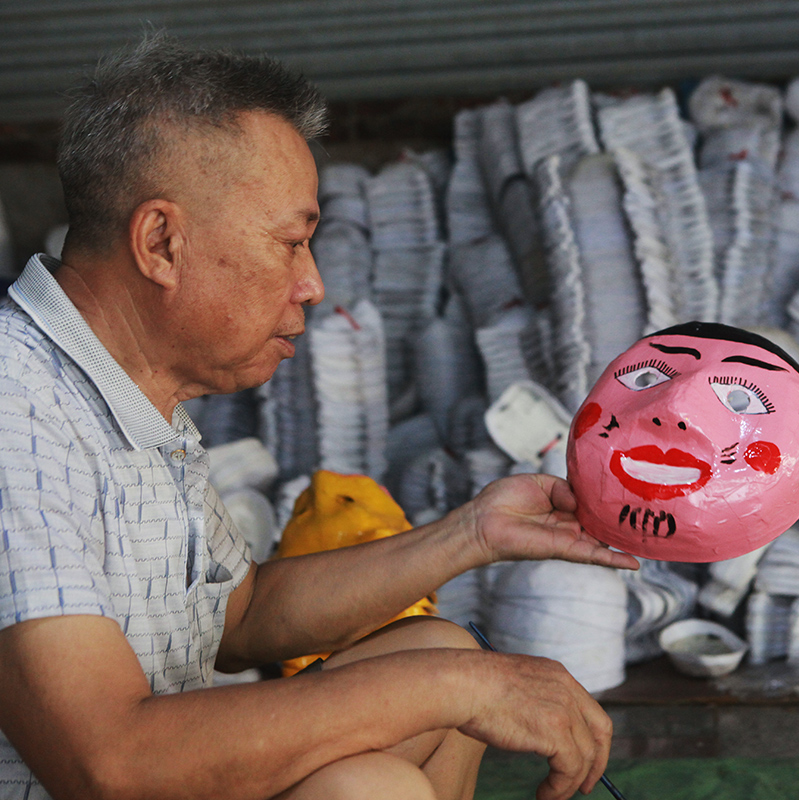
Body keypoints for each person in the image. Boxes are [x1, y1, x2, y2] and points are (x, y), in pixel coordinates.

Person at [0, 34, 638, 800]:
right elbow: (111, 763)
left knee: (436, 643)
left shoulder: (133, 393)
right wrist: (458, 685)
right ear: (161, 242)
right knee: (370, 785)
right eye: (292, 243)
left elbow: (241, 617)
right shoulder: (16, 404)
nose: (312, 284)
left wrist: (471, 535)